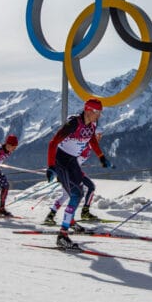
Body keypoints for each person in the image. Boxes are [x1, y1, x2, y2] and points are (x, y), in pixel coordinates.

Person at [46, 98, 109, 249]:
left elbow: (92, 140)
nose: (99, 116)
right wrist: (51, 166)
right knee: (74, 194)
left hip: (72, 161)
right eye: (97, 112)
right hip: (61, 159)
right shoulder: (74, 123)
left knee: (78, 193)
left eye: (100, 113)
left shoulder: (92, 125)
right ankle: (62, 235)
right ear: (88, 110)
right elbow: (53, 142)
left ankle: (69, 225)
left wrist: (101, 156)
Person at [43, 126, 105, 225]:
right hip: (70, 172)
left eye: (101, 135)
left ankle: (51, 216)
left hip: (72, 171)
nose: (100, 137)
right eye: (99, 135)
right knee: (88, 188)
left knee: (66, 195)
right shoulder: (84, 145)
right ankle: (80, 214)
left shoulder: (88, 146)